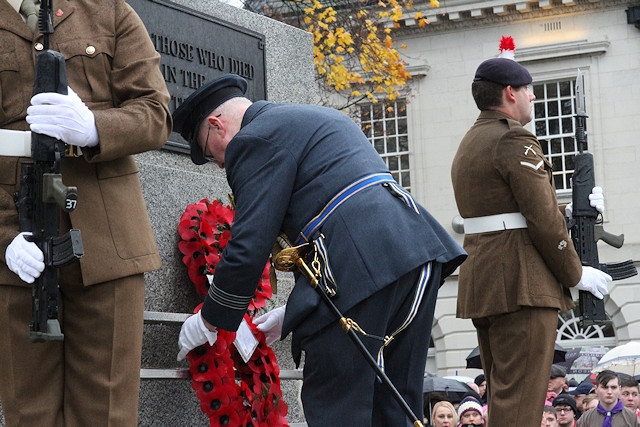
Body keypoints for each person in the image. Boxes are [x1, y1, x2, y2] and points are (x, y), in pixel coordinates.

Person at [171, 74, 467, 426]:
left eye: (210, 153)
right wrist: (296, 311)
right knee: (394, 405)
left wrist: (211, 318)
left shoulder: (252, 140)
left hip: (363, 273)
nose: (220, 164)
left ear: (216, 125)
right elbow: (336, 221)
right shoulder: (315, 118)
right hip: (416, 252)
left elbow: (250, 243)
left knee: (336, 407)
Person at [0, 1, 172, 425]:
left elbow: (156, 111)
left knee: (106, 414)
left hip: (105, 246)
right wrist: (3, 238)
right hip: (19, 250)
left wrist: (94, 127)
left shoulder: (108, 11)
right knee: (29, 414)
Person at [450, 46, 612, 426]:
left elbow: (509, 210)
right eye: (528, 89)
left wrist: (572, 212)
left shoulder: (471, 141)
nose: (533, 96)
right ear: (510, 92)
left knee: (506, 397)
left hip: (487, 280)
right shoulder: (513, 139)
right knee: (521, 404)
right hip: (519, 283)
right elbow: (540, 218)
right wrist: (575, 272)